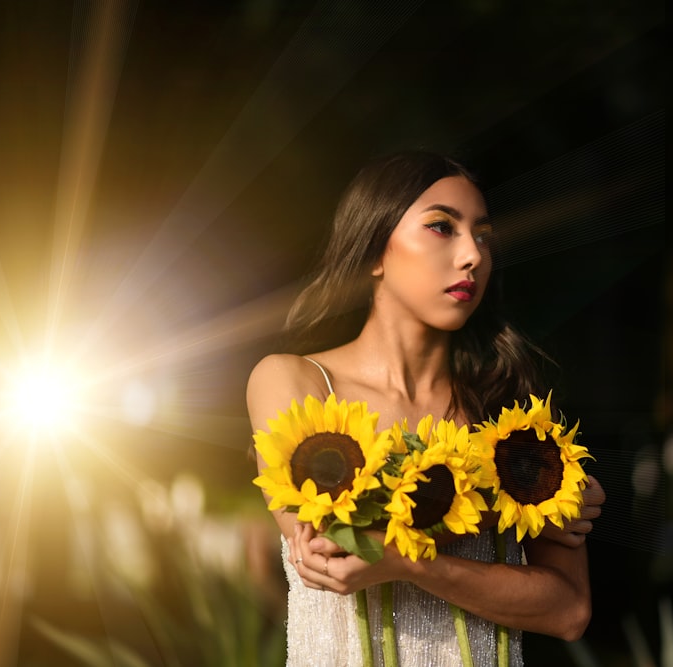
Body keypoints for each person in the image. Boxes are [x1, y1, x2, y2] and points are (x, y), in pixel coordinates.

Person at [247, 151, 606, 666]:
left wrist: (411, 563)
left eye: (483, 236)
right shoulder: (296, 381)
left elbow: (569, 610)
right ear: (374, 252)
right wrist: (510, 499)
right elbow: (333, 547)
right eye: (442, 227)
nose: (473, 256)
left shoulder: (508, 413)